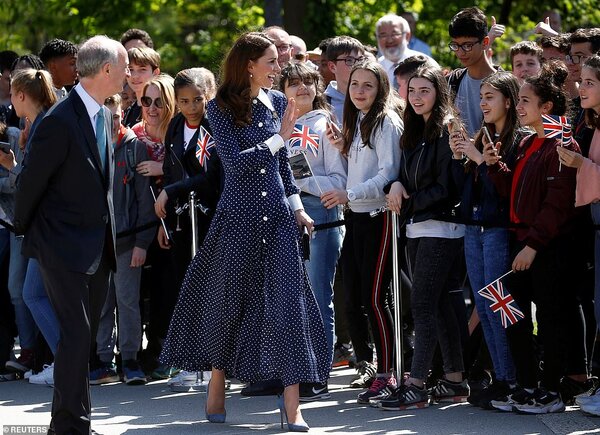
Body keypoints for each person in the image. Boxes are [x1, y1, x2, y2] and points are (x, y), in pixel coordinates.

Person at [160, 32, 328, 432]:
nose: (278, 68)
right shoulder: (218, 108)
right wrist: (278, 139)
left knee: (289, 307)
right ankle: (217, 380)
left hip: (279, 218)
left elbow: (284, 165)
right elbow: (235, 165)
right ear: (249, 65)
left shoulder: (277, 103)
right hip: (237, 219)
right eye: (271, 61)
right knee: (228, 304)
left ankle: (292, 404)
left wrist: (299, 207)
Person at [14, 35, 128, 434]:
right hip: (61, 247)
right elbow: (30, 183)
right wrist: (27, 232)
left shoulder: (104, 116)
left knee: (80, 340)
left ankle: (74, 420)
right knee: (77, 336)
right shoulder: (60, 120)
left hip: (97, 247)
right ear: (107, 69)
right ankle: (68, 425)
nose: (129, 74)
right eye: (125, 66)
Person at [487, 61, 584, 414]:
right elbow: (513, 192)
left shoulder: (562, 141)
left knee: (553, 315)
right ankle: (527, 383)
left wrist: (533, 246)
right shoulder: (529, 142)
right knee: (508, 307)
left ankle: (552, 391)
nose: (519, 105)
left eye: (526, 100)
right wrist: (493, 166)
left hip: (548, 246)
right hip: (523, 241)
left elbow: (556, 204)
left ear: (546, 107)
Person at [381, 66, 468, 410]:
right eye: (411, 91)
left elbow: (448, 189)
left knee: (423, 304)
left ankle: (415, 383)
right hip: (417, 226)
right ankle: (454, 380)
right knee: (443, 303)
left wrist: (408, 202)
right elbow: (406, 175)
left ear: (439, 93)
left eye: (424, 91)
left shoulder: (448, 128)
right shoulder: (413, 129)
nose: (416, 97)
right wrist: (397, 185)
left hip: (440, 227)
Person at [321, 60, 403, 403]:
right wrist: (343, 148)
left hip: (378, 218)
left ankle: (389, 373)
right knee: (354, 296)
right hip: (356, 217)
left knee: (375, 298)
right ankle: (374, 367)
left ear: (381, 88)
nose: (359, 91)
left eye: (368, 85)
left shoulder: (386, 121)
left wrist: (349, 194)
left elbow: (388, 174)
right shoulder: (358, 120)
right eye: (355, 84)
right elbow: (362, 167)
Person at [449, 72, 526, 409]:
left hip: (497, 230)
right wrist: (462, 157)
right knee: (483, 306)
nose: (482, 103)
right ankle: (500, 376)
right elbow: (472, 186)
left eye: (490, 97)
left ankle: (513, 379)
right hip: (474, 227)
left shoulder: (517, 140)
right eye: (481, 97)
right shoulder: (483, 136)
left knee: (500, 305)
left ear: (508, 101)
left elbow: (509, 191)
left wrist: (480, 160)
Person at [279, 62, 347, 401]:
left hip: (320, 212)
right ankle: (294, 369)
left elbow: (339, 179)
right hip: (284, 215)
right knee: (292, 297)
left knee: (319, 294)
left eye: (308, 81)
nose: (301, 88)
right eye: (293, 82)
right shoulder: (279, 126)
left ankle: (319, 370)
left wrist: (298, 181)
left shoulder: (326, 123)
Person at [154, 68, 222, 391]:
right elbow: (170, 168)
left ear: (210, 95)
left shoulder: (216, 126)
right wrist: (165, 217)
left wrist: (174, 189)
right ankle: (192, 361)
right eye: (184, 101)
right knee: (185, 288)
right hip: (182, 219)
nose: (192, 107)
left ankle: (211, 364)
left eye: (198, 99)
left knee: (209, 291)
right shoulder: (176, 125)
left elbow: (212, 176)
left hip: (211, 218)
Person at [0, 69, 59, 385]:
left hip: (46, 227)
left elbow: (37, 181)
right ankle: (65, 362)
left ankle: (66, 361)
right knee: (34, 294)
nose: (10, 100)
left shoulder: (45, 126)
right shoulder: (39, 126)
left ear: (22, 95)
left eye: (12, 94)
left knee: (33, 294)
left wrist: (12, 166)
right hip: (44, 227)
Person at [92, 93, 154, 386]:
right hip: (99, 243)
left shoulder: (135, 148)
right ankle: (103, 359)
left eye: (117, 117)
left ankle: (129, 357)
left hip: (129, 242)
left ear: (123, 114)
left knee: (128, 301)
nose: (113, 123)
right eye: (107, 118)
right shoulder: (92, 147)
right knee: (102, 303)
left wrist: (143, 242)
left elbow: (145, 201)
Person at [557, 55, 600, 415]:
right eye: (581, 80)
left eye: (589, 82)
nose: (580, 87)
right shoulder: (591, 121)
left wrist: (581, 164)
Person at [447, 7, 497, 137]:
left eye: (467, 45)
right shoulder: (451, 82)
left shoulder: (504, 85)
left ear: (485, 42)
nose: (460, 52)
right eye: (455, 45)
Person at [375, 14, 437, 87]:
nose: (389, 40)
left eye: (394, 34)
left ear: (407, 36)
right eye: (383, 35)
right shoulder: (375, 68)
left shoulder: (426, 64)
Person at [123, 46, 161, 128]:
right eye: (131, 69)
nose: (135, 76)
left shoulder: (163, 108)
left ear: (155, 72)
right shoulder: (129, 111)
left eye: (142, 69)